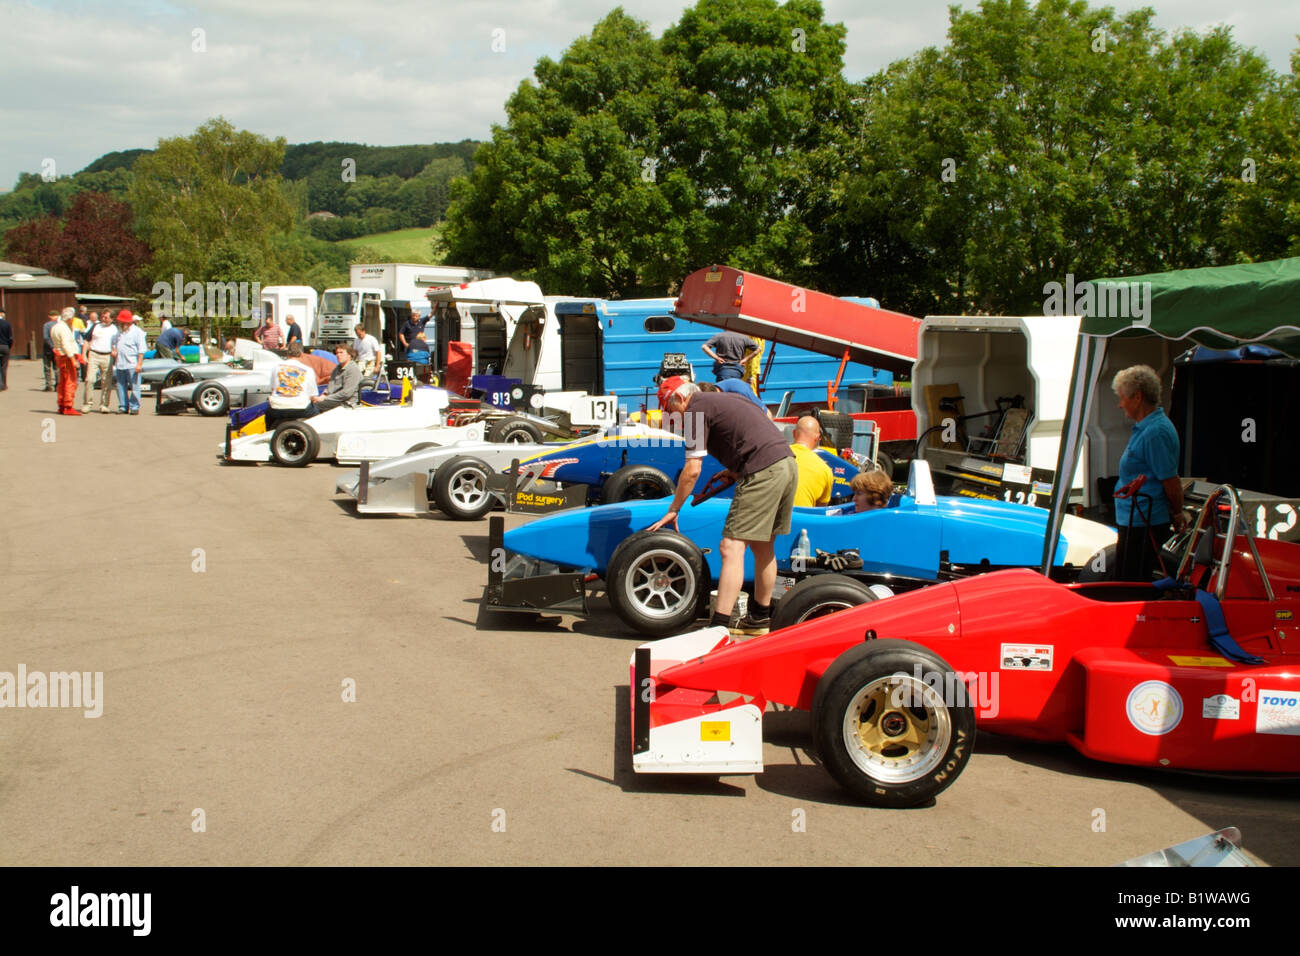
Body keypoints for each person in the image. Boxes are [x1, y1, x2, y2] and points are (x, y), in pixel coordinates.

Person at [648, 376, 798, 636]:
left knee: (730, 547)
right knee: (763, 547)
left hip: (762, 470)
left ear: (681, 398)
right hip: (786, 464)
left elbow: (692, 470)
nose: (674, 417)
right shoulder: (723, 399)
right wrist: (734, 470)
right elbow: (755, 429)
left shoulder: (695, 409)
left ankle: (718, 626)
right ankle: (760, 618)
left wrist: (674, 508)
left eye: (671, 410)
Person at [1112, 364, 1186, 582]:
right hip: (1135, 518)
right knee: (1126, 579)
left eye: (1122, 397)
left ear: (1137, 397)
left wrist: (1177, 512)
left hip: (1145, 520)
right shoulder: (1147, 429)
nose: (1119, 404)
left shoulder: (1156, 432)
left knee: (1134, 582)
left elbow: (1170, 480)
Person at [266, 349, 318, 428]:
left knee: (268, 414)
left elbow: (273, 389)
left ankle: (269, 433)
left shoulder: (276, 366)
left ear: (287, 355)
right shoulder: (308, 369)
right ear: (301, 355)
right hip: (301, 408)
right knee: (316, 414)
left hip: (277, 407)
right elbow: (313, 395)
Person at [789, 416, 834, 507]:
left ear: (793, 433)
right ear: (817, 438)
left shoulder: (776, 455)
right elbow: (820, 508)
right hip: (802, 520)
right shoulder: (825, 470)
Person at [305, 344, 361, 415]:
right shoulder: (337, 369)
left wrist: (325, 398)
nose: (338, 355)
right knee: (310, 403)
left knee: (314, 407)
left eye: (341, 353)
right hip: (334, 399)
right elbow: (330, 386)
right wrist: (322, 396)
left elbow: (346, 393)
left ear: (349, 355)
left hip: (347, 402)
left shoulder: (353, 369)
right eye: (337, 353)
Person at [109, 310, 147, 414]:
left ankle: (134, 407)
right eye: (120, 322)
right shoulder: (119, 332)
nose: (120, 324)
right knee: (120, 386)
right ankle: (123, 406)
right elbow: (115, 344)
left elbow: (141, 350)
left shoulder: (137, 332)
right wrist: (114, 351)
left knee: (135, 386)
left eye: (122, 322)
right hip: (120, 363)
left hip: (132, 364)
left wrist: (139, 364)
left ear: (129, 323)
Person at [50, 308, 84, 415]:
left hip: (60, 356)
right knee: (70, 382)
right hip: (67, 357)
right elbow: (66, 345)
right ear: (69, 318)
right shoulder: (64, 328)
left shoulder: (56, 327)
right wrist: (73, 359)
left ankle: (61, 404)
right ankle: (68, 406)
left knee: (62, 382)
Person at [82, 311, 117, 412]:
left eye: (106, 317)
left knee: (106, 381)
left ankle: (104, 404)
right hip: (94, 354)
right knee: (90, 379)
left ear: (112, 319)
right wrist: (84, 354)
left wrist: (116, 352)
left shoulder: (115, 329)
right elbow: (86, 340)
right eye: (102, 317)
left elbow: (118, 343)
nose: (103, 319)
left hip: (107, 356)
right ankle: (87, 404)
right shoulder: (96, 326)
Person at [42, 310, 59, 391]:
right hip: (58, 349)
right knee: (57, 367)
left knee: (47, 367)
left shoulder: (47, 325)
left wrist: (52, 346)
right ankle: (58, 385)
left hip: (48, 349)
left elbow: (46, 337)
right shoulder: (60, 325)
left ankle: (48, 385)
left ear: (49, 316)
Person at [0, 309, 11, 391]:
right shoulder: (7, 324)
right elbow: (10, 338)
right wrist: (9, 346)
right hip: (4, 346)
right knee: (4, 367)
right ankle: (3, 385)